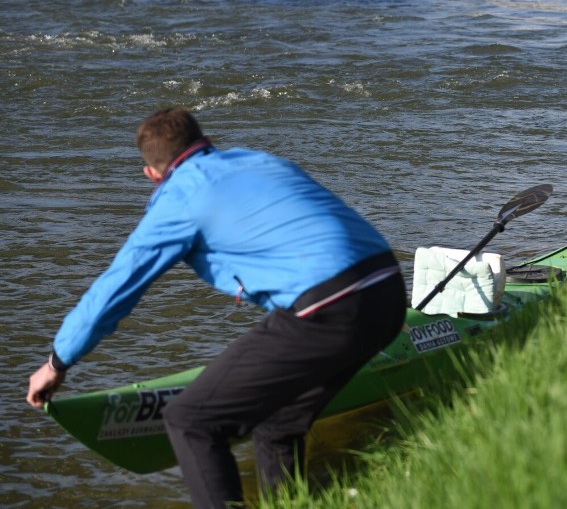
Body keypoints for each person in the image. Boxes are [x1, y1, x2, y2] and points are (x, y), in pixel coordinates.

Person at [27, 108, 408, 507]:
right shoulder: (257, 160)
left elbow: (115, 289)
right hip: (386, 286)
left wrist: (57, 361)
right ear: (202, 141)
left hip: (328, 307)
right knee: (279, 423)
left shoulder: (179, 199)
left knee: (190, 421)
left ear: (151, 173)